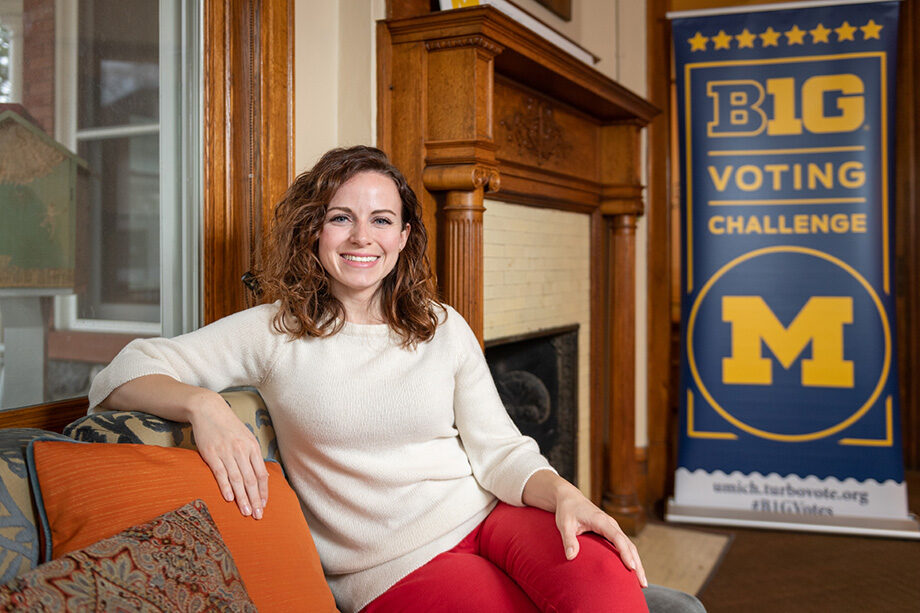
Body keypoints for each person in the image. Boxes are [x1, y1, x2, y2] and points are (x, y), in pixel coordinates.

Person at [89, 146, 700, 613]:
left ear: (404, 237)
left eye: (382, 220)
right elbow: (120, 372)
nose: (362, 237)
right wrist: (203, 406)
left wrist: (565, 494)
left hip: (491, 515)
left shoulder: (440, 325)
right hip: (391, 566)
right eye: (340, 218)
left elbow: (500, 450)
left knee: (608, 586)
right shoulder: (274, 330)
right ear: (314, 231)